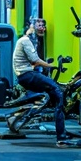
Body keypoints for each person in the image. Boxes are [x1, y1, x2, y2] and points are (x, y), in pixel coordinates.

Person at [13, 17, 68, 147]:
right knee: (58, 91)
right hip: (27, 75)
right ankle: (61, 136)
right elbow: (35, 61)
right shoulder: (26, 40)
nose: (41, 27)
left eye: (43, 25)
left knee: (51, 92)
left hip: (26, 74)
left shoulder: (31, 41)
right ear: (30, 28)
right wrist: (52, 66)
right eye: (38, 25)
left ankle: (60, 127)